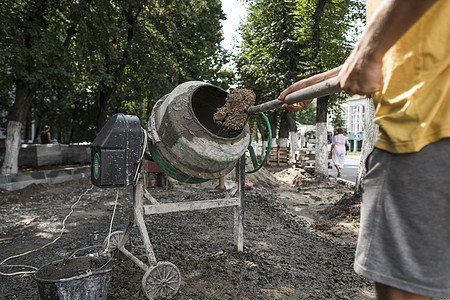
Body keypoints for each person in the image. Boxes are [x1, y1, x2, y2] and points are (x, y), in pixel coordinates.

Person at [278, 0, 450, 299]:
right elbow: (405, 48)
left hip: (424, 129)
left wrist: (370, 48)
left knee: (403, 290)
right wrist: (314, 83)